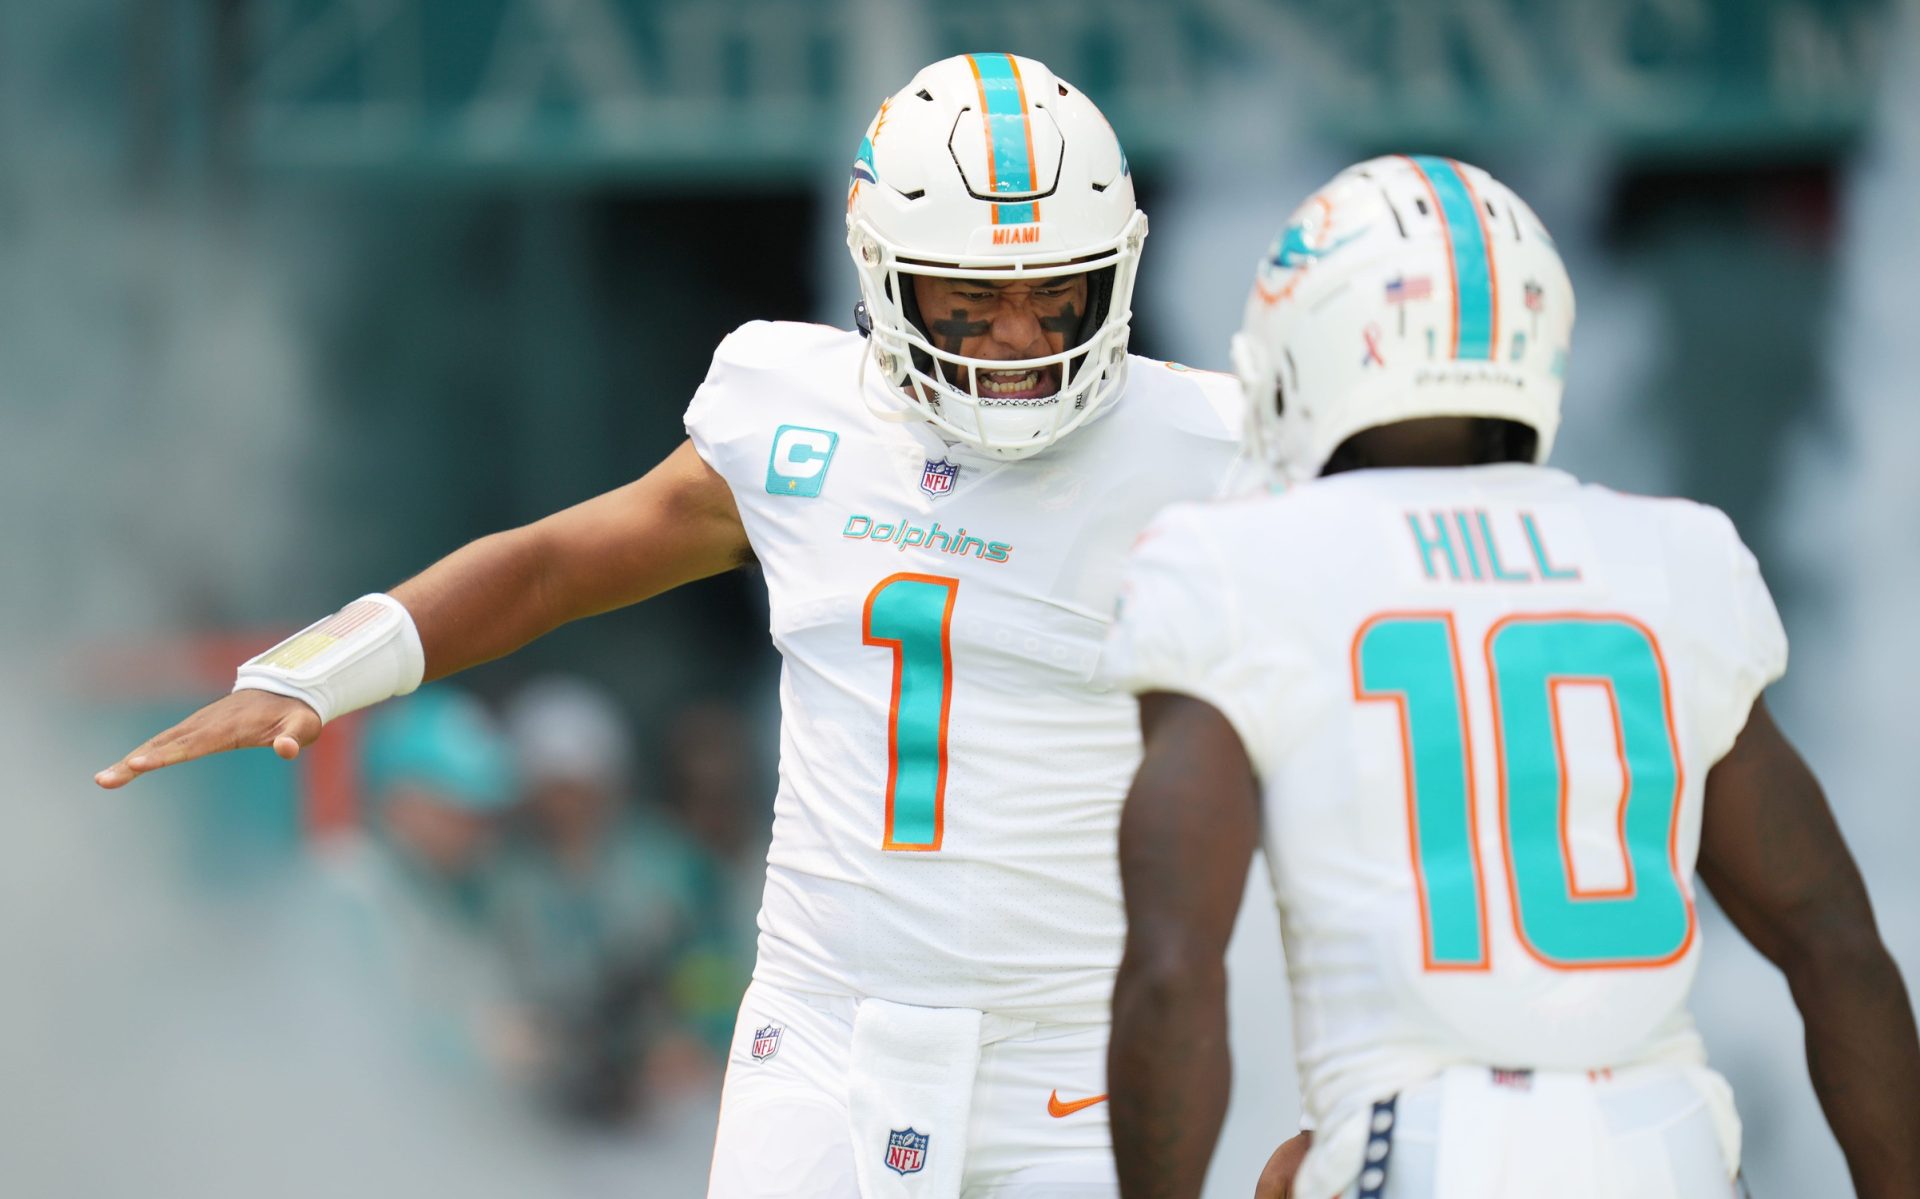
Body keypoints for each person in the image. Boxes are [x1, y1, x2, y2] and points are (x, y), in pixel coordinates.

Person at [95, 53, 1245, 1197]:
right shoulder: (793, 409)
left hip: (1075, 1054)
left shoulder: (1206, 445)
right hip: (823, 1034)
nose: (1017, 341)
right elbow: (554, 565)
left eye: (1059, 295)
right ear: (884, 273)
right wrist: (318, 669)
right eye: (971, 300)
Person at [1100, 155, 1920, 1198]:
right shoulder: (1672, 553)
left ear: (1304, 348)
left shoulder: (1232, 561)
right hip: (1668, 1141)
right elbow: (1837, 947)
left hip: (1425, 1141)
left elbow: (1174, 973)